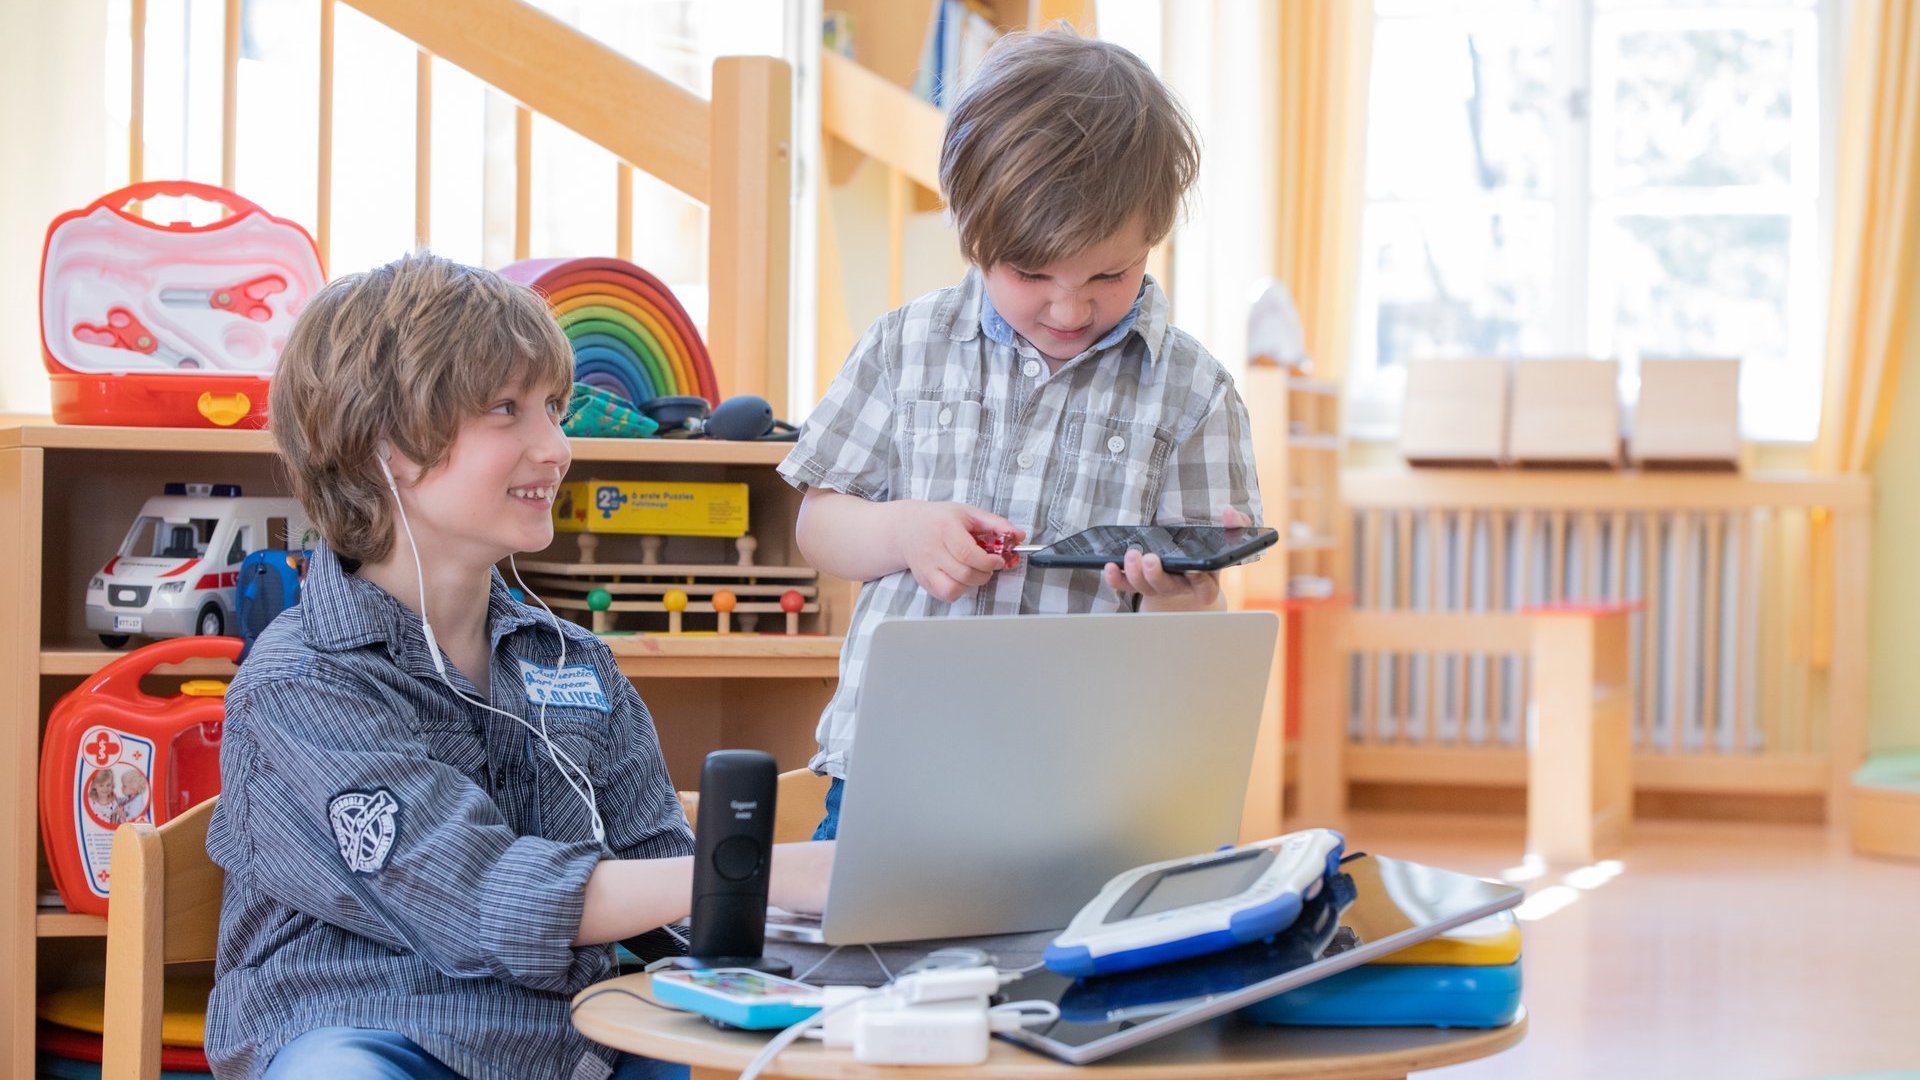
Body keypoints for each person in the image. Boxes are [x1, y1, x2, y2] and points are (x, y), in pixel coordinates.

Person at [204, 252, 831, 1080]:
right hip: (367, 1036)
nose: (557, 448)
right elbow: (476, 895)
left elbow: (663, 887)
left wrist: (824, 926)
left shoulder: (576, 663)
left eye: (553, 409)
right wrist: (769, 873)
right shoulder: (301, 685)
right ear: (383, 445)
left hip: (571, 1050)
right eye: (508, 410)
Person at [779, 30, 1263, 838]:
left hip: (1090, 783)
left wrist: (1183, 594)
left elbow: (1200, 615)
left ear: (1154, 237)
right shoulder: (906, 347)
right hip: (897, 767)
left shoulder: (1195, 392)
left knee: (1075, 963)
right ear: (972, 236)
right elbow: (819, 526)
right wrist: (905, 528)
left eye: (1109, 275)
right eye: (1032, 275)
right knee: (857, 957)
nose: (1069, 310)